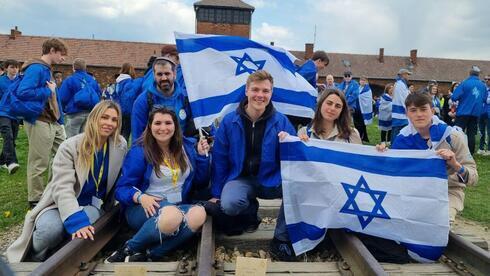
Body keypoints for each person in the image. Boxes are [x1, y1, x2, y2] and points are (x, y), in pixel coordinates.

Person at [6, 101, 127, 262]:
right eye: (104, 117)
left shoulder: (119, 145)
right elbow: (62, 188)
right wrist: (75, 220)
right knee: (50, 231)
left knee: (89, 222)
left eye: (114, 120)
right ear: (93, 118)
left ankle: (62, 256)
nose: (109, 123)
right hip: (58, 204)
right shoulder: (70, 146)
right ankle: (35, 259)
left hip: (91, 205)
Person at [208, 70, 296, 258]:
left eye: (265, 91)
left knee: (296, 189)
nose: (260, 95)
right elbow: (220, 159)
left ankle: (281, 237)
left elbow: (294, 158)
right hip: (241, 178)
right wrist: (216, 193)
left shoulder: (282, 121)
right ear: (247, 91)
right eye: (255, 89)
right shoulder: (230, 121)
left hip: (271, 180)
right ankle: (250, 211)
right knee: (229, 204)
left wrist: (294, 141)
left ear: (271, 93)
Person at [105, 107, 210, 262]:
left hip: (176, 206)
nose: (163, 128)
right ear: (150, 126)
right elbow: (122, 189)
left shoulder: (186, 148)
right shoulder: (139, 152)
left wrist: (202, 157)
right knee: (172, 215)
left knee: (199, 214)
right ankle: (127, 250)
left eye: (168, 123)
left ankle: (151, 254)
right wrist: (141, 197)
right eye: (158, 123)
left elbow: (200, 182)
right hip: (145, 207)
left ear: (175, 126)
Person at [273, 89, 362, 261]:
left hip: (340, 190)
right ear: (321, 104)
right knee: (293, 187)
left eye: (337, 106)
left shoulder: (352, 135)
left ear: (342, 110)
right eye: (329, 103)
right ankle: (280, 238)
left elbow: (362, 165)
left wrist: (379, 151)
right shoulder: (304, 132)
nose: (332, 108)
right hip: (314, 189)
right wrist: (288, 141)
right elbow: (298, 167)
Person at [385, 92, 478, 224]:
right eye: (413, 110)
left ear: (432, 111)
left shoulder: (452, 137)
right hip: (413, 193)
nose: (419, 114)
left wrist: (455, 165)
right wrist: (381, 154)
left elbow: (474, 178)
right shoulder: (402, 140)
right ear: (407, 114)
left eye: (423, 109)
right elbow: (390, 174)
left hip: (447, 192)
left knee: (440, 222)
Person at [8, 38, 68, 206]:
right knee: (39, 160)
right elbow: (23, 91)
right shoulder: (36, 68)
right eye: (62, 54)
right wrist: (46, 91)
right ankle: (36, 198)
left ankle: (52, 189)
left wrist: (60, 120)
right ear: (52, 51)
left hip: (51, 121)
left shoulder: (46, 69)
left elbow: (54, 98)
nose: (63, 58)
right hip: (39, 120)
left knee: (65, 152)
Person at [132, 57, 195, 141]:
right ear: (154, 75)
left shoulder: (187, 98)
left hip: (181, 150)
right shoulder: (142, 101)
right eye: (159, 74)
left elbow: (198, 130)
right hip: (153, 152)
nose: (164, 78)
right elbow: (137, 137)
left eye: (167, 73)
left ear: (174, 74)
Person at [59, 58, 102, 138]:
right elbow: (98, 94)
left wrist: (63, 110)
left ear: (74, 68)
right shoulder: (92, 80)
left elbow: (62, 98)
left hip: (74, 113)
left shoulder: (70, 80)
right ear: (85, 68)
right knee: (84, 140)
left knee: (71, 141)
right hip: (90, 114)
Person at [451, 65, 486, 154]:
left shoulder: (465, 83)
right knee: (471, 134)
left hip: (463, 111)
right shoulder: (483, 85)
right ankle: (470, 154)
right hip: (476, 113)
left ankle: (456, 152)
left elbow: (454, 97)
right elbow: (485, 99)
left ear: (469, 73)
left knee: (457, 133)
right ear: (478, 74)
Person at [0, 59, 20, 174]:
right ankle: (11, 162)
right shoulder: (1, 81)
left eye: (17, 67)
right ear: (6, 68)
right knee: (8, 136)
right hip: (3, 113)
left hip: (16, 114)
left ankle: (1, 161)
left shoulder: (21, 81)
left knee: (12, 139)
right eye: (12, 67)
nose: (15, 70)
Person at [115, 63, 140, 141]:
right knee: (126, 132)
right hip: (128, 111)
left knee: (118, 132)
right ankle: (122, 149)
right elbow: (130, 97)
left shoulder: (118, 82)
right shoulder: (129, 82)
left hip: (118, 109)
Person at [391, 68, 412, 144]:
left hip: (399, 113)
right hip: (400, 113)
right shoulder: (400, 84)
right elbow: (403, 98)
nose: (408, 77)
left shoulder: (400, 84)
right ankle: (394, 148)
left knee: (397, 131)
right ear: (403, 75)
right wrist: (408, 109)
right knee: (397, 132)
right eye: (407, 74)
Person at [356, 76, 373, 142]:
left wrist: (358, 96)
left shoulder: (367, 89)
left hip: (363, 109)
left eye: (363, 80)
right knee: (356, 124)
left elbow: (366, 98)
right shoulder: (358, 88)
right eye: (361, 80)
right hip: (357, 108)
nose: (362, 81)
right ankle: (359, 137)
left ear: (366, 81)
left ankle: (362, 137)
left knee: (361, 124)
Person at [478, 75, 490, 155]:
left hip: (489, 113)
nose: (486, 80)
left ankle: (489, 149)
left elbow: (488, 101)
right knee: (481, 132)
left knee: (489, 132)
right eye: (485, 79)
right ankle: (481, 148)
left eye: (488, 79)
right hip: (481, 113)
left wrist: (483, 98)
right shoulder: (483, 89)